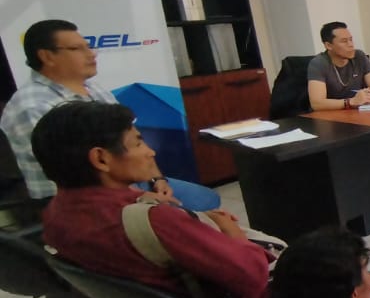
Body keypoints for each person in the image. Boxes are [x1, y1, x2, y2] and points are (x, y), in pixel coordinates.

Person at [33, 101, 269, 298]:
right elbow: (253, 275)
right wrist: (230, 229)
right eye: (138, 143)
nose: (150, 152)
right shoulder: (155, 220)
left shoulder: (56, 216)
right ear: (101, 159)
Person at [0, 19, 221, 211]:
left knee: (207, 200)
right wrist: (137, 197)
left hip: (124, 183)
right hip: (82, 203)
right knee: (187, 218)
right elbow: (72, 179)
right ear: (47, 56)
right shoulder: (33, 106)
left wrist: (156, 178)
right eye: (77, 49)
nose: (91, 54)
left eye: (89, 47)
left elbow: (134, 140)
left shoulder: (94, 90)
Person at [307, 21, 370, 111]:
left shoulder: (359, 56)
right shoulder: (319, 63)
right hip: (331, 115)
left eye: (351, 40)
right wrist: (350, 102)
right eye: (344, 41)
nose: (351, 45)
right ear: (328, 45)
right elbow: (317, 104)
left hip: (356, 112)